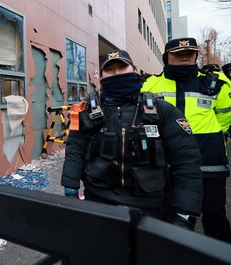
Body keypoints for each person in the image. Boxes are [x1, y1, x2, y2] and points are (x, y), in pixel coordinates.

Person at [61, 49, 203, 230]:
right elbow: (75, 149)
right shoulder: (88, 111)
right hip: (98, 200)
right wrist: (70, 190)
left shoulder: (163, 111)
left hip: (151, 206)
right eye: (110, 70)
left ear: (135, 71)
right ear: (101, 77)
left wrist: (185, 213)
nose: (116, 73)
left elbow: (186, 162)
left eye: (122, 67)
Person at [141, 37, 231, 243]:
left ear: (196, 57)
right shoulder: (151, 85)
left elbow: (226, 117)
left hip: (209, 163)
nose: (184, 58)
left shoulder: (215, 83)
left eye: (188, 54)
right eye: (177, 54)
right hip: (167, 164)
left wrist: (210, 136)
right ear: (166, 58)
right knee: (169, 217)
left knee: (214, 216)